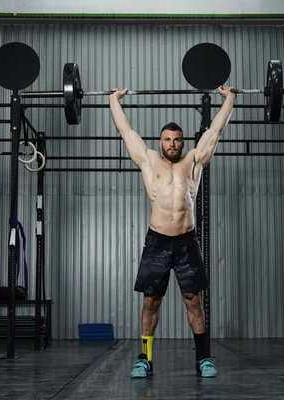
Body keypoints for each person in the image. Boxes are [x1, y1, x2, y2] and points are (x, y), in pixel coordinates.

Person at [108, 86, 236, 379]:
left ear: (182, 142)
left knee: (193, 299)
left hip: (186, 241)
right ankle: (145, 358)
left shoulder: (193, 161)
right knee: (150, 301)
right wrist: (113, 100)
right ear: (160, 142)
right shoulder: (149, 161)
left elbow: (215, 131)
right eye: (167, 139)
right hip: (157, 241)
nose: (173, 144)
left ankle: (204, 358)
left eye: (177, 140)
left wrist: (229, 99)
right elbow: (126, 131)